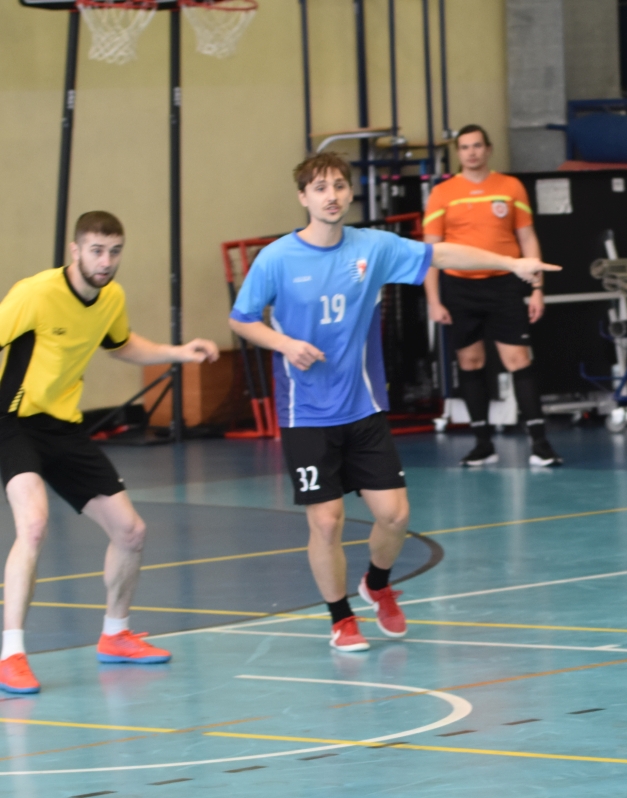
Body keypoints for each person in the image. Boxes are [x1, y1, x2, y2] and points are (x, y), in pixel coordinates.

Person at [229, 152, 559, 652]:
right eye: (320, 188)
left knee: (395, 516)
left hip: (363, 407)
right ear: (303, 197)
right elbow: (242, 318)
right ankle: (341, 619)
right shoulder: (276, 258)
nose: (332, 196)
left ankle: (377, 585)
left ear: (349, 193)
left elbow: (442, 254)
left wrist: (511, 263)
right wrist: (285, 344)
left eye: (339, 186)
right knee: (326, 521)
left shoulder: (374, 247)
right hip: (306, 413)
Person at [0, 211, 220, 694]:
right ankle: (10, 654)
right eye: (96, 250)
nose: (105, 261)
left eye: (114, 251)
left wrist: (178, 352)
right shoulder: (34, 294)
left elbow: (120, 345)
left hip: (63, 426)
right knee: (32, 524)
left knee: (131, 531)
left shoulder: (110, 297)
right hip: (12, 422)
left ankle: (116, 634)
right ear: (75, 251)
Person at [422, 125, 560, 468]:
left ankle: (540, 444)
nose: (471, 152)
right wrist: (434, 300)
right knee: (470, 362)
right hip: (459, 288)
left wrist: (537, 288)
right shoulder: (442, 193)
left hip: (504, 285)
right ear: (458, 153)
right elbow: (430, 252)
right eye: (464, 147)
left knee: (518, 359)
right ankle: (483, 444)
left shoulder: (510, 187)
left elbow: (527, 238)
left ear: (488, 149)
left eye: (477, 146)